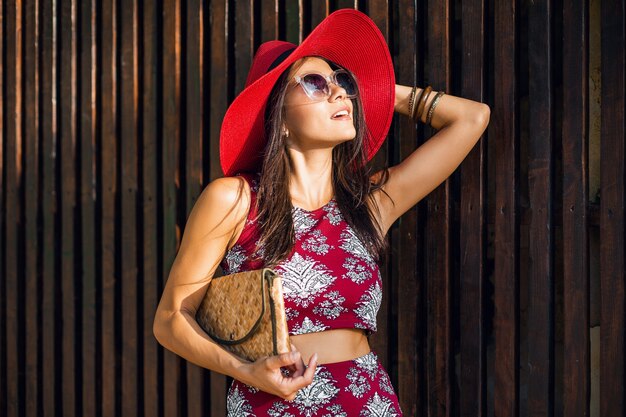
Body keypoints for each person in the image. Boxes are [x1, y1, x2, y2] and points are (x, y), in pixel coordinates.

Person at [153, 9, 489, 417]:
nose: (338, 92)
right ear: (279, 119)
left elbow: (472, 118)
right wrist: (247, 371)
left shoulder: (369, 203)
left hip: (367, 402)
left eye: (341, 81)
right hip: (272, 404)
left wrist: (375, 88)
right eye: (314, 82)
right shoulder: (234, 200)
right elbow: (171, 318)